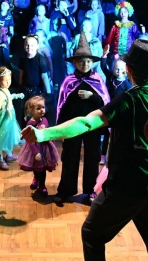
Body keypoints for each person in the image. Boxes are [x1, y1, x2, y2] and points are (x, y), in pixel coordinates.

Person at [21, 39, 148, 261]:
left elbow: (85, 122)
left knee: (92, 234)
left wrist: (43, 134)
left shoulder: (129, 100)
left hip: (126, 188)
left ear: (129, 69)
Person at [54, 32, 110, 203]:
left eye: (88, 61)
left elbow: (104, 102)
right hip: (73, 126)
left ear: (92, 63)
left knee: (92, 158)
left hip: (92, 126)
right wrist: (61, 129)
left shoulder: (97, 80)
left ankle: (91, 190)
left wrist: (92, 96)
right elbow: (62, 106)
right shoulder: (69, 81)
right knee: (70, 157)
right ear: (74, 63)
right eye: (81, 61)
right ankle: (66, 190)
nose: (84, 64)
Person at [0, 67, 25, 171]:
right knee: (0, 138)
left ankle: (9, 154)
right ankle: (0, 159)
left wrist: (16, 96)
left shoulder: (4, 90)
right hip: (3, 120)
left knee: (8, 137)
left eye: (9, 79)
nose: (8, 82)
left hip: (9, 118)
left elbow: (9, 97)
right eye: (5, 80)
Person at [18, 96, 59, 196]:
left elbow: (48, 131)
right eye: (38, 108)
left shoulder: (45, 120)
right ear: (31, 110)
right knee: (36, 168)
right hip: (35, 148)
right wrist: (36, 152)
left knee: (43, 169)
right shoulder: (30, 123)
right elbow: (29, 140)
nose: (42, 110)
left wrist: (50, 139)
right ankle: (36, 178)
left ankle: (42, 185)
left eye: (43, 107)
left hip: (45, 147)